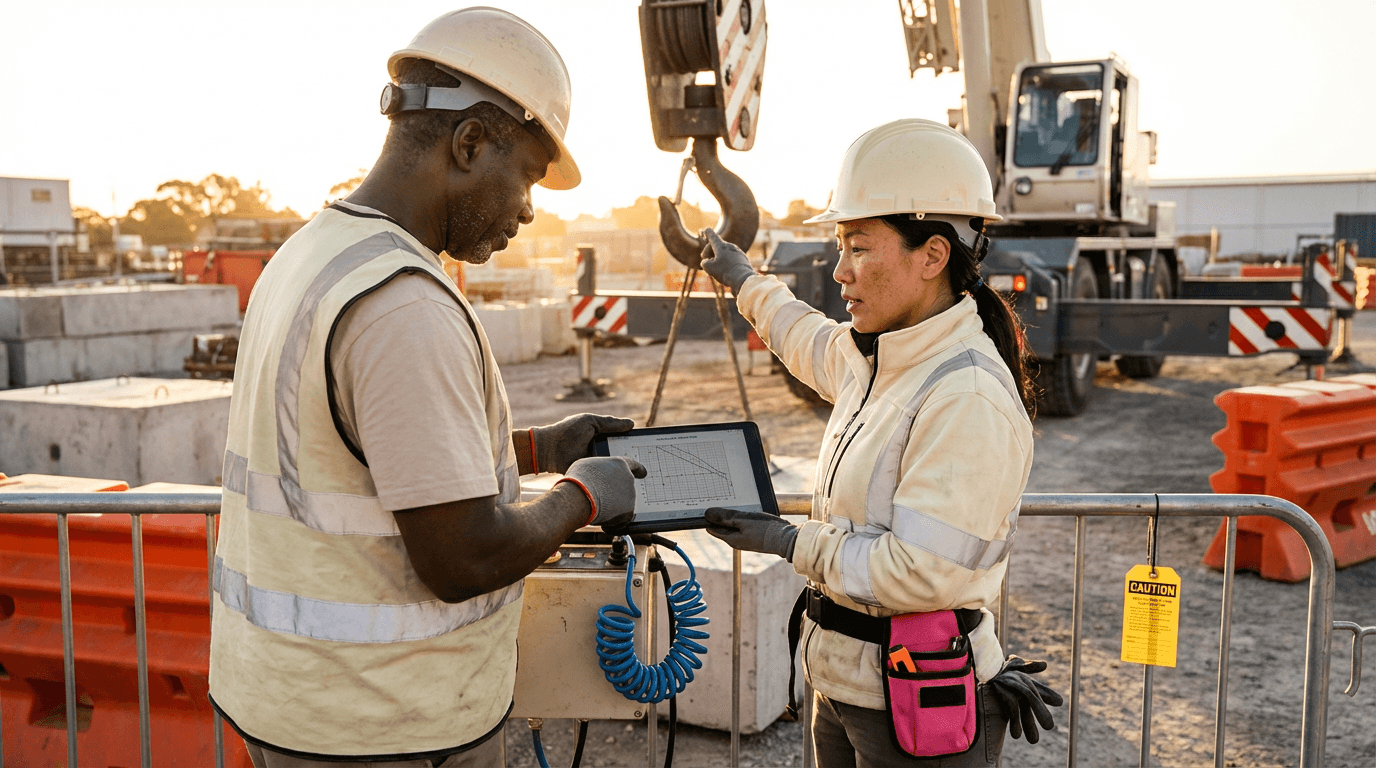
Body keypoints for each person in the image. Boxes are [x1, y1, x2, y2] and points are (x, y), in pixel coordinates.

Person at [208, 9, 645, 766]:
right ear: (470, 141)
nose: (530, 209)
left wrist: (539, 448)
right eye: (529, 176)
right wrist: (584, 495)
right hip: (386, 723)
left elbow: (360, 461)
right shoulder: (403, 303)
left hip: (295, 704)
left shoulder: (313, 254)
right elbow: (462, 559)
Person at [699, 118, 1062, 767]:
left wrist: (789, 541)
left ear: (933, 255)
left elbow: (919, 572)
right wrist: (744, 278)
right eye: (841, 246)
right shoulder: (880, 359)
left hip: (916, 699)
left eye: (860, 247)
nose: (840, 271)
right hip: (847, 683)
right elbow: (804, 336)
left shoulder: (966, 394)